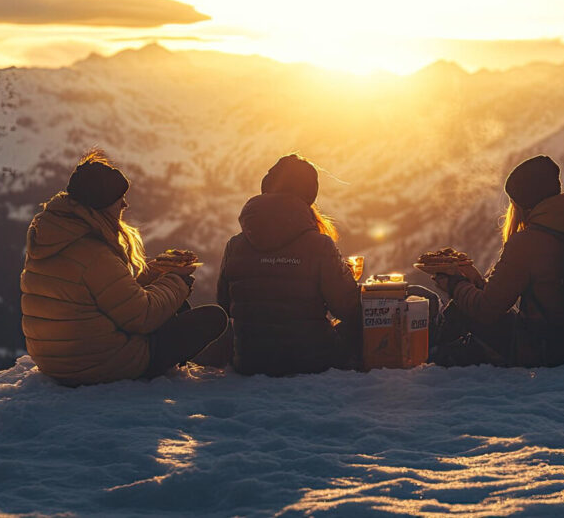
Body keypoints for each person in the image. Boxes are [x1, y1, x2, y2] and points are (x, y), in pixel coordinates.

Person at [21, 150, 228, 385]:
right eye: (119, 199)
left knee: (171, 303)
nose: (125, 204)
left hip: (57, 360)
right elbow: (142, 316)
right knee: (212, 317)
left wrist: (155, 272)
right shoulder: (95, 254)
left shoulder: (57, 238)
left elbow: (109, 293)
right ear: (102, 205)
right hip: (100, 364)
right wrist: (176, 279)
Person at [430, 155, 564, 368]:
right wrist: (476, 281)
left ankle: (432, 360)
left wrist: (454, 285)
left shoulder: (527, 242)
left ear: (521, 204)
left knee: (459, 309)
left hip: (544, 348)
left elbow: (487, 310)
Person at [216, 154, 364, 376]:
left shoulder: (235, 245)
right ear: (309, 196)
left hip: (250, 361)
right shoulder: (319, 245)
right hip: (311, 360)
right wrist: (344, 277)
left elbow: (224, 306)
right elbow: (348, 308)